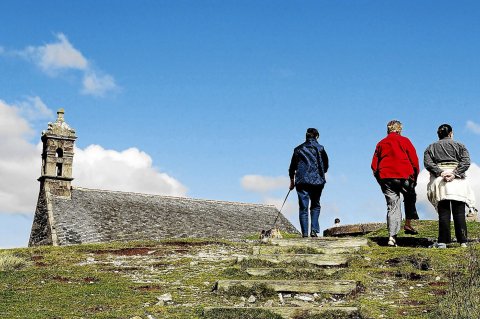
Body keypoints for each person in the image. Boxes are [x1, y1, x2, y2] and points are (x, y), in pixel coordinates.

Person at [424, 124, 475, 248]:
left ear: (438, 134)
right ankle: (463, 241)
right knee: (459, 213)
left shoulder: (431, 147)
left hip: (440, 181)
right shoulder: (460, 146)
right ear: (451, 133)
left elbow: (428, 163)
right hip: (458, 182)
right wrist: (455, 174)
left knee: (444, 213)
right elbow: (466, 162)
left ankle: (443, 241)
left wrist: (441, 172)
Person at [371, 120, 420, 247]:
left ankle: (392, 237)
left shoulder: (381, 143)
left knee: (392, 207)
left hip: (386, 177)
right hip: (404, 176)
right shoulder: (405, 141)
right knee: (410, 196)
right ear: (399, 129)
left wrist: (380, 179)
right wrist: (415, 178)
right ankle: (408, 224)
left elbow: (374, 165)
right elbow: (414, 160)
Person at [289, 128, 329, 238]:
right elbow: (326, 166)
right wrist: (321, 173)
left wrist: (292, 181)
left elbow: (292, 167)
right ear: (317, 136)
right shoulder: (320, 148)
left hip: (301, 181)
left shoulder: (298, 149)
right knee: (315, 205)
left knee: (303, 207)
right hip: (317, 181)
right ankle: (314, 231)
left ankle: (305, 233)